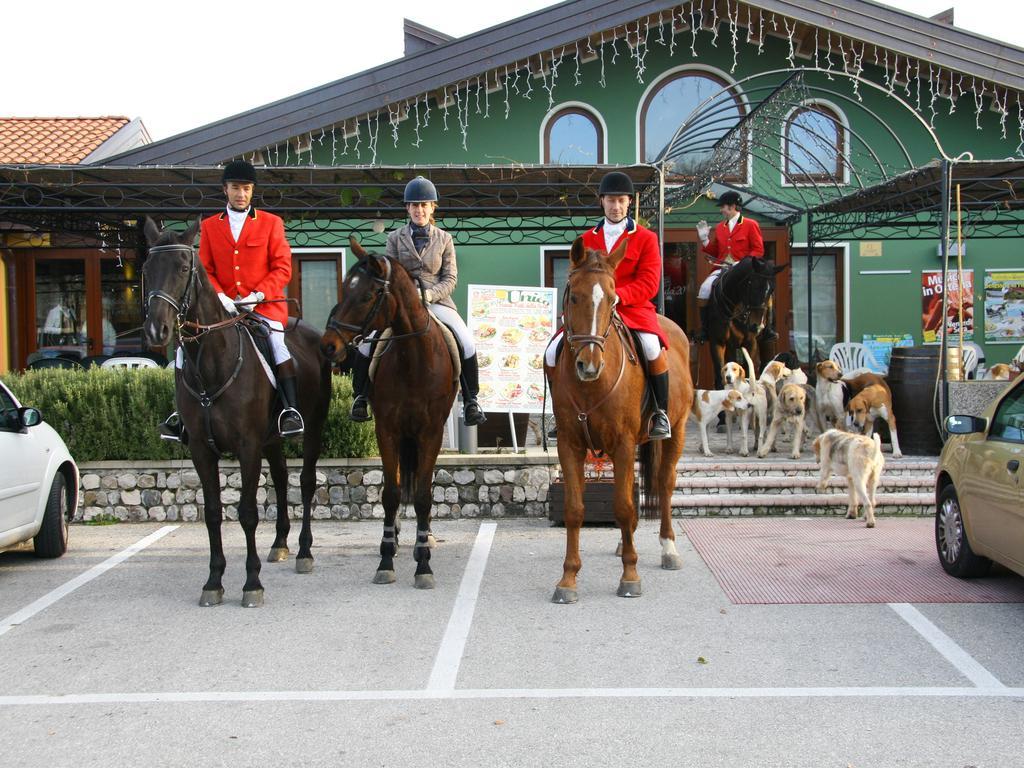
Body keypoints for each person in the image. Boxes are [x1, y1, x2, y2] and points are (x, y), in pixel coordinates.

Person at [159, 160, 303, 441]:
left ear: (252, 191)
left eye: (246, 188)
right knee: (181, 350)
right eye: (236, 188)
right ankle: (181, 417)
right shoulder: (211, 226)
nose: (241, 194)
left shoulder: (272, 224)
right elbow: (205, 268)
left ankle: (290, 410)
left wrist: (256, 296)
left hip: (263, 305)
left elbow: (282, 267)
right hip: (219, 308)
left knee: (278, 345)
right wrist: (221, 295)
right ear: (225, 189)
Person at [348, 176, 486, 427]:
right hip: (402, 304)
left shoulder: (444, 239)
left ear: (432, 207)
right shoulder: (395, 238)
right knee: (368, 343)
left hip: (437, 302)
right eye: (414, 205)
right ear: (407, 208)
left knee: (466, 340)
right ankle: (360, 397)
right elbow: (387, 274)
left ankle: (471, 400)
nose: (419, 210)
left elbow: (451, 277)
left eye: (424, 205)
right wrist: (406, 297)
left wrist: (429, 296)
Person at [544, 171, 672, 440]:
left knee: (651, 347)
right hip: (592, 312)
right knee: (551, 352)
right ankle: (561, 414)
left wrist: (619, 296)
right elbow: (577, 278)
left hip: (632, 309)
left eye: (621, 201)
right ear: (602, 202)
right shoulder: (586, 239)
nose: (616, 207)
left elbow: (650, 282)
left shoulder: (646, 238)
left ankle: (660, 412)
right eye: (611, 201)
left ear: (629, 203)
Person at [694, 191, 777, 343]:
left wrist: (743, 263)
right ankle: (705, 329)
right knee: (704, 290)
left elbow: (758, 250)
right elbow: (716, 251)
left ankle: (768, 329)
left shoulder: (751, 225)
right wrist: (705, 239)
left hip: (745, 270)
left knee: (763, 292)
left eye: (723, 207)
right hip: (724, 268)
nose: (721, 210)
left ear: (732, 207)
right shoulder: (720, 227)